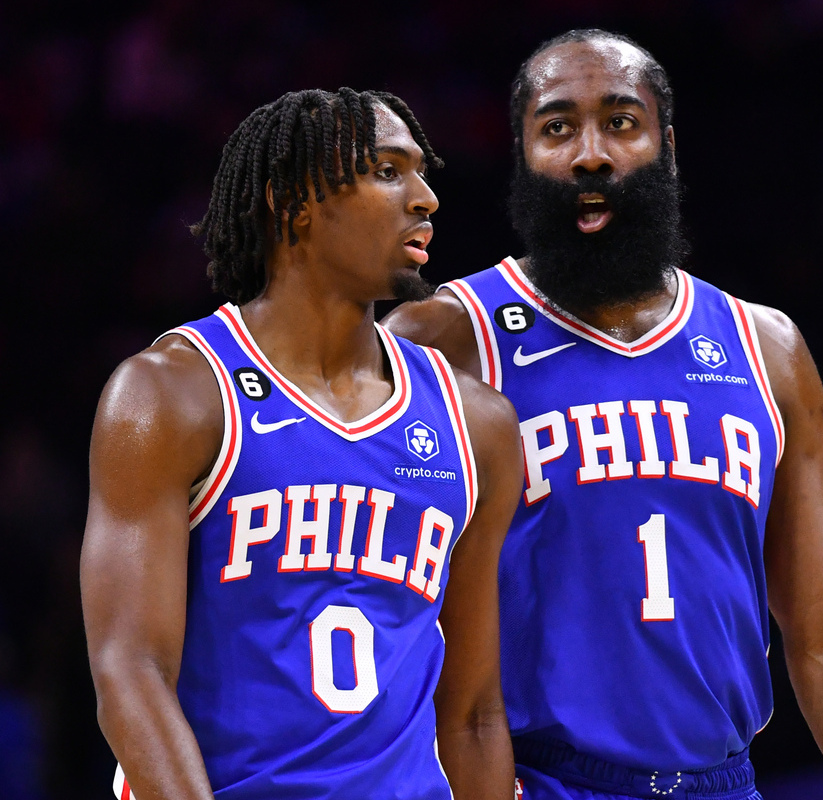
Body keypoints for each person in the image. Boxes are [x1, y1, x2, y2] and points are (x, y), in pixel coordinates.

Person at [385, 30, 823, 800]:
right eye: (556, 128)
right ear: (523, 154)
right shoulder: (445, 342)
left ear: (665, 145)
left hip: (723, 781)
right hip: (537, 779)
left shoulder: (766, 350)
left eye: (619, 122)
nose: (590, 155)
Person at [81, 88, 522, 800]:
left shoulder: (478, 424)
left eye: (422, 171)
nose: (425, 198)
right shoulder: (173, 395)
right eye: (387, 170)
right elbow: (130, 671)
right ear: (295, 202)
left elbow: (472, 715)